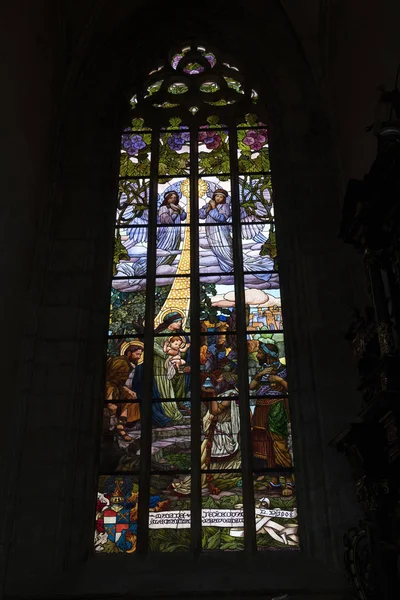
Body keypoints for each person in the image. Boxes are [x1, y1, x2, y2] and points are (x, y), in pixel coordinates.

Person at [249, 339, 294, 496]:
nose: (257, 355)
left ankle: (289, 481)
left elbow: (292, 388)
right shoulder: (263, 369)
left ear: (268, 356)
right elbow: (251, 387)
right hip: (261, 407)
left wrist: (280, 380)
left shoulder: (284, 370)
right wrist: (260, 375)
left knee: (279, 443)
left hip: (276, 407)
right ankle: (274, 481)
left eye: (260, 353)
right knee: (266, 444)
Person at [153, 312, 190, 422]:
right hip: (160, 365)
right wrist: (165, 355)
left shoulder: (178, 335)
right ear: (170, 323)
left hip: (174, 364)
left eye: (180, 321)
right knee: (165, 388)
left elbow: (180, 350)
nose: (180, 324)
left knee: (181, 379)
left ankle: (179, 403)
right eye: (177, 322)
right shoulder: (161, 333)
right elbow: (153, 345)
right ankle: (170, 411)